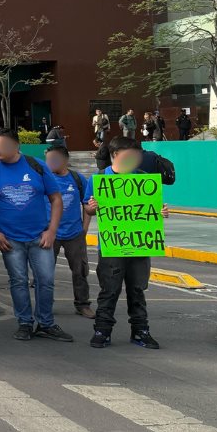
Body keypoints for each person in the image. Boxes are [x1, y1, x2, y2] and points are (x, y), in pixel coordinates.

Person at [0, 128, 73, 342]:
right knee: (18, 281)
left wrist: (52, 231)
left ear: (15, 145)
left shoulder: (36, 166)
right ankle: (25, 323)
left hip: (40, 236)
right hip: (9, 240)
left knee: (45, 281)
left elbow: (56, 199)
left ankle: (45, 323)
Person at [85, 136, 166, 349]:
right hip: (112, 246)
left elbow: (151, 210)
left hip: (139, 246)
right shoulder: (98, 179)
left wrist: (161, 212)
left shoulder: (144, 179)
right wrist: (92, 207)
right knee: (109, 290)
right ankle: (102, 330)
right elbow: (88, 209)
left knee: (137, 289)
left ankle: (140, 331)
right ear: (114, 155)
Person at [44, 145, 94, 319]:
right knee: (45, 272)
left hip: (74, 233)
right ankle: (45, 305)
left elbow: (86, 204)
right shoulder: (44, 178)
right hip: (51, 233)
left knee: (80, 270)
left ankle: (82, 304)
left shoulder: (77, 179)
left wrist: (84, 228)